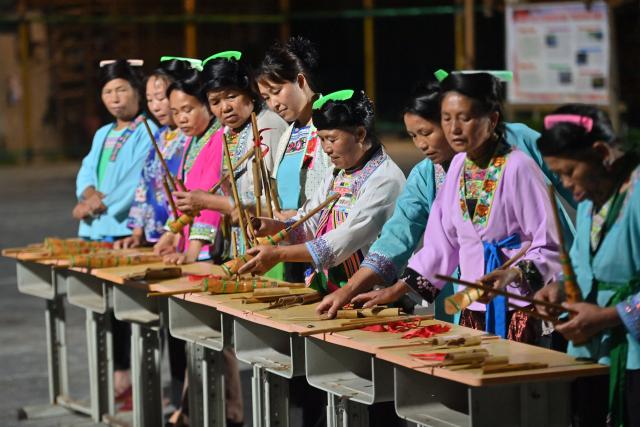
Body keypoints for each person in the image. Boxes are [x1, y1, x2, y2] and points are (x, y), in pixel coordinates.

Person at [361, 73, 562, 343]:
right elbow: (441, 243)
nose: (454, 129)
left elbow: (548, 244)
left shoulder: (518, 167)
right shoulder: (457, 167)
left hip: (518, 309)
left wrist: (514, 273)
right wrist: (396, 290)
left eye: (464, 118)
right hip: (472, 308)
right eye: (446, 118)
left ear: (492, 120)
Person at [237, 89, 406, 296]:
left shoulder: (385, 179)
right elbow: (310, 220)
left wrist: (279, 254)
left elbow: (344, 239)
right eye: (322, 139)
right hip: (334, 290)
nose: (325, 148)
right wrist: (275, 226)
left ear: (360, 134)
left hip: (373, 294)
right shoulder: (336, 173)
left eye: (332, 139)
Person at [534, 104, 640, 426]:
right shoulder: (590, 197)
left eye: (569, 171)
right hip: (593, 352)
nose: (565, 183)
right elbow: (581, 265)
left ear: (599, 152)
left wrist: (610, 316)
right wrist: (558, 291)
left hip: (632, 355)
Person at [74, 58, 155, 401]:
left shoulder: (147, 131)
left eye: (122, 89)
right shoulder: (103, 133)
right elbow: (87, 168)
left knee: (133, 313)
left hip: (125, 231)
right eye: (108, 91)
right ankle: (120, 382)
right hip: (97, 232)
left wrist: (95, 204)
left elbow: (137, 178)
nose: (115, 97)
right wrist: (87, 192)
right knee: (106, 311)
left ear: (137, 92)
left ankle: (142, 385)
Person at [171, 51, 288, 259]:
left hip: (270, 248)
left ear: (250, 92)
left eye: (232, 96)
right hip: (238, 246)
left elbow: (272, 202)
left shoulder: (267, 126)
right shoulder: (227, 132)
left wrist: (210, 202)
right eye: (215, 102)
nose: (225, 108)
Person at [256, 36, 333, 282]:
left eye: (277, 91)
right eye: (266, 98)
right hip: (291, 247)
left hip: (325, 248)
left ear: (300, 81)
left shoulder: (331, 123)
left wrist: (298, 217)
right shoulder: (289, 132)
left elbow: (341, 190)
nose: (273, 104)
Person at [116, 59, 190, 249]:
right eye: (150, 100)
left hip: (179, 235)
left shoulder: (189, 137)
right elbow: (144, 184)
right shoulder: (160, 134)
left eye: (160, 98)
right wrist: (137, 233)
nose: (155, 107)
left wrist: (174, 231)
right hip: (154, 236)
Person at [152, 66, 222, 265]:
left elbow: (210, 198)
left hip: (207, 245)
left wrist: (193, 252)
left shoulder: (218, 138)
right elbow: (185, 196)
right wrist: (171, 234)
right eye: (175, 112)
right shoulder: (192, 139)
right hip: (189, 241)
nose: (181, 118)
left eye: (187, 110)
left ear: (207, 105)